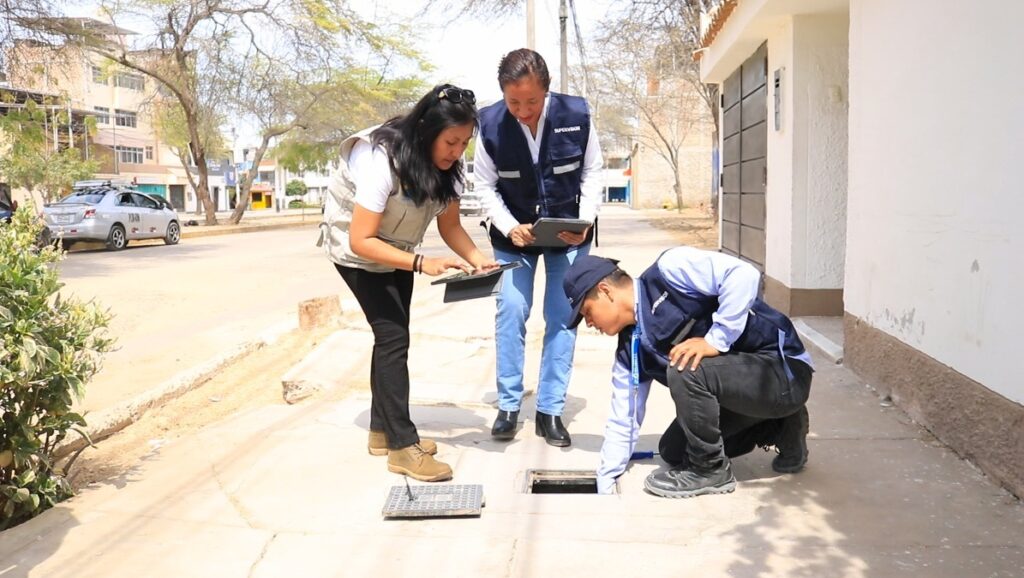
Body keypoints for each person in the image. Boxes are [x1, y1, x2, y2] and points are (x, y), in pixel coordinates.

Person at [319, 84, 499, 482]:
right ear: (426, 131)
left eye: (464, 143)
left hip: (396, 248)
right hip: (355, 249)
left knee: (392, 336)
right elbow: (361, 240)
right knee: (392, 337)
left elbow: (450, 226)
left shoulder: (450, 168)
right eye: (450, 142)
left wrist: (479, 260)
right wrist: (421, 263)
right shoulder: (380, 159)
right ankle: (403, 445)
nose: (457, 152)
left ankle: (382, 432)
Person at [562, 249, 814, 497]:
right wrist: (606, 479)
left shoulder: (670, 270)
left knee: (685, 367)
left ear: (605, 291)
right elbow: (624, 417)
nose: (590, 324)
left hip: (783, 372)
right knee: (673, 451)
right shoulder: (630, 349)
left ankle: (710, 470)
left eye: (587, 312)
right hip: (748, 393)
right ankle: (780, 427)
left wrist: (716, 340)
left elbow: (744, 274)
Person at [474, 48, 604, 446]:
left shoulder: (576, 115)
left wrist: (585, 219)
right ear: (503, 93)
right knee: (511, 310)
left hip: (568, 235)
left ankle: (550, 409)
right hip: (514, 237)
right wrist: (510, 227)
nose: (523, 111)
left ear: (546, 90)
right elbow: (484, 185)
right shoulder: (490, 124)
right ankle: (508, 406)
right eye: (514, 102)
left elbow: (592, 171)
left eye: (531, 101)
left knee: (563, 317)